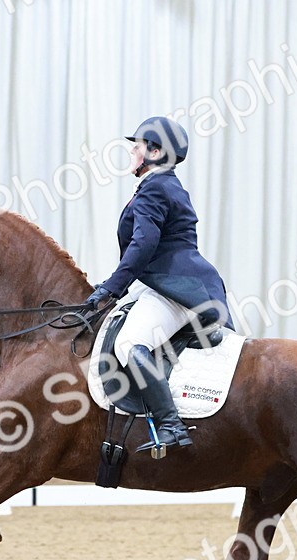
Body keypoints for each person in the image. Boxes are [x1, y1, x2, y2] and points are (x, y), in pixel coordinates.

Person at [85, 116, 231, 454]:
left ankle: (170, 425)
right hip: (166, 283)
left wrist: (112, 287)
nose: (132, 152)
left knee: (130, 344)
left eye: (136, 146)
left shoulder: (156, 186)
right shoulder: (162, 185)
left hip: (175, 288)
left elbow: (144, 245)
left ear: (154, 151)